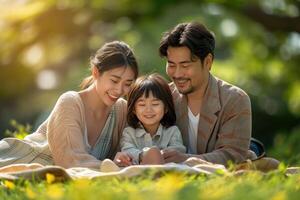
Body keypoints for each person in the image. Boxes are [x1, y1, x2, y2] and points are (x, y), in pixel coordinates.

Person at [0, 41, 138, 170]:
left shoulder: (121, 110)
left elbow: (133, 148)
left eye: (127, 84)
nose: (120, 90)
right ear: (96, 72)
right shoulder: (70, 102)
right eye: (114, 81)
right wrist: (111, 167)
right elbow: (70, 161)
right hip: (20, 160)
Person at [158, 22, 253, 166]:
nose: (177, 74)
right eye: (171, 65)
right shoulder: (163, 97)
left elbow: (232, 154)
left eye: (185, 65)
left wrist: (185, 160)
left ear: (208, 62)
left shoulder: (235, 99)